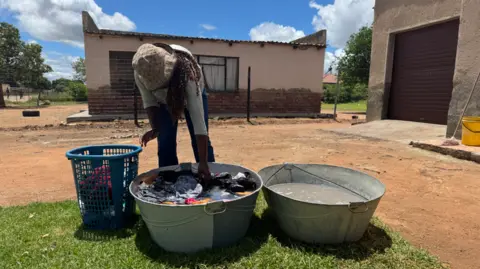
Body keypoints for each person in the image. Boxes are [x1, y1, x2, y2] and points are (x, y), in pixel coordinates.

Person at [132, 43, 215, 180]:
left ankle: (210, 174)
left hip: (190, 91)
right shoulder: (142, 70)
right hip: (163, 102)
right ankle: (168, 181)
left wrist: (204, 163)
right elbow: (150, 102)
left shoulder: (187, 75)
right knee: (165, 141)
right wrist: (155, 128)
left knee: (199, 140)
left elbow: (199, 125)